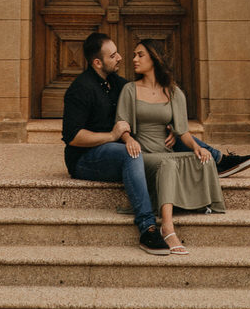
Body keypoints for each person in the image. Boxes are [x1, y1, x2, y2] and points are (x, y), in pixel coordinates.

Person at [62, 31, 170, 255]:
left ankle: (215, 159)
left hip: (113, 149)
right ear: (97, 62)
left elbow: (146, 106)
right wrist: (111, 136)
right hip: (84, 159)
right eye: (113, 56)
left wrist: (172, 126)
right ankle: (147, 228)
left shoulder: (117, 83)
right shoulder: (80, 89)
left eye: (118, 53)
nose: (120, 57)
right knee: (129, 154)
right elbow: (73, 137)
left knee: (165, 132)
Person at [115, 38, 224, 254]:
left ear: (154, 58)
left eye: (140, 55)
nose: (134, 59)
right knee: (167, 164)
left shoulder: (174, 92)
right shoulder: (130, 89)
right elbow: (121, 124)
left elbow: (182, 131)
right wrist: (129, 139)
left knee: (203, 159)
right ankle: (167, 227)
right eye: (134, 55)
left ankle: (192, 203)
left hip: (165, 154)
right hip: (141, 156)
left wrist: (196, 148)